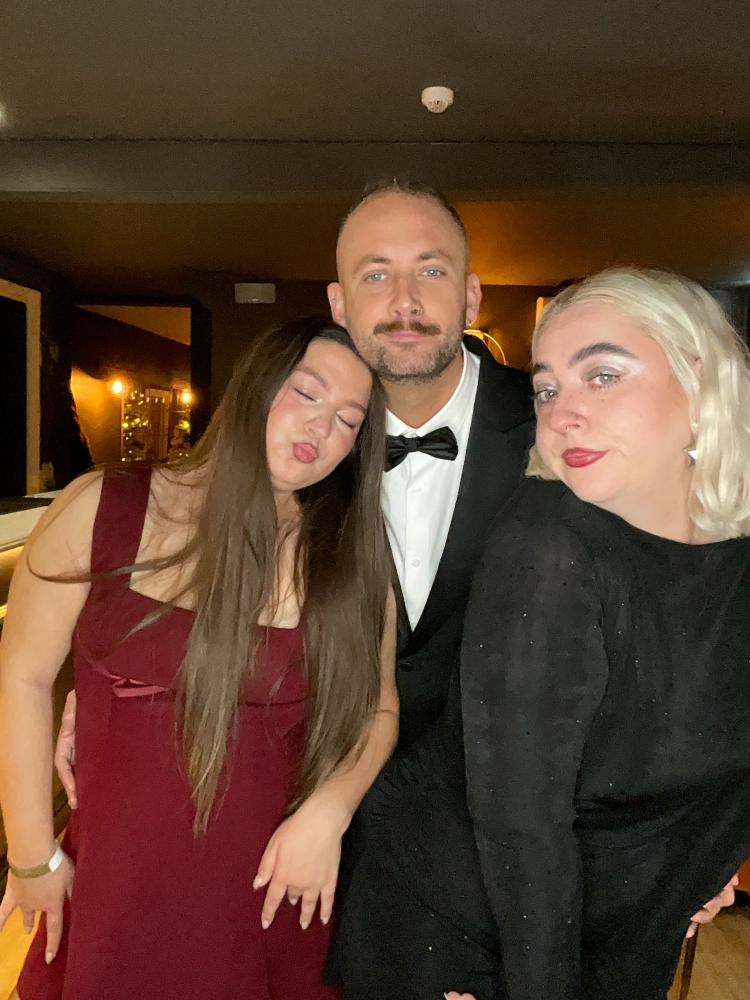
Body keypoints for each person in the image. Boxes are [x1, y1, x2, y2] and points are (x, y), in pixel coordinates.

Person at [341, 267, 750, 1000]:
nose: (561, 416)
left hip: (618, 920)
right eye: (547, 389)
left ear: (701, 383)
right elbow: (522, 826)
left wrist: (704, 860)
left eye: (602, 375)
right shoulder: (549, 549)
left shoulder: (735, 555)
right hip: (465, 924)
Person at [0, 316, 398, 1000]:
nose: (320, 426)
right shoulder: (103, 504)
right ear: (255, 386)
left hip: (271, 892)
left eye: (347, 420)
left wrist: (329, 812)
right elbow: (23, 676)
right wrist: (32, 853)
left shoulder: (347, 559)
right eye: (306, 393)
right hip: (115, 890)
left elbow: (379, 708)